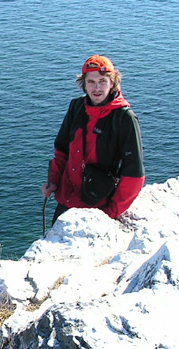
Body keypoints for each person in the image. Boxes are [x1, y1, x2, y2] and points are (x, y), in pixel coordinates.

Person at [41, 55, 144, 224]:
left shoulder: (124, 118)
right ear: (84, 84)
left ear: (112, 83)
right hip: (66, 202)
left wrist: (109, 212)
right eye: (91, 82)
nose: (97, 87)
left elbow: (134, 175)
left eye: (102, 81)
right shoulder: (76, 107)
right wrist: (53, 181)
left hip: (99, 207)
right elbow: (62, 151)